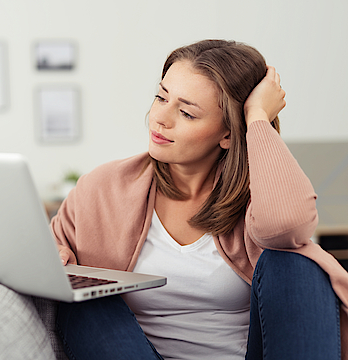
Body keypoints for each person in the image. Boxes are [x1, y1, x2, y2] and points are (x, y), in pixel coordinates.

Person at [50, 39, 348, 360]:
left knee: (293, 262)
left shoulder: (258, 198)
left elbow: (286, 227)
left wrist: (258, 118)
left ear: (229, 134)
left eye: (187, 113)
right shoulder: (102, 187)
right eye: (161, 97)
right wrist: (52, 256)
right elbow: (47, 251)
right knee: (84, 300)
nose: (159, 118)